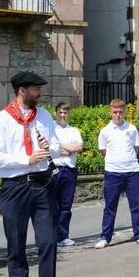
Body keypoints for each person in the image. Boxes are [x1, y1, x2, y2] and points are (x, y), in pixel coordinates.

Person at [0, 72, 64, 277]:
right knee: (16, 247)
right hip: (15, 187)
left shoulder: (44, 116)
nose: (40, 93)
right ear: (22, 90)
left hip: (43, 184)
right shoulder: (1, 120)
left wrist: (48, 147)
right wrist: (26, 160)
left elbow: (56, 145)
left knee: (48, 243)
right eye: (36, 89)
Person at [94, 99, 139, 249]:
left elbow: (136, 148)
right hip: (113, 172)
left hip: (132, 172)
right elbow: (103, 151)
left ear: (124, 112)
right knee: (110, 206)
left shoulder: (131, 129)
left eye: (120, 112)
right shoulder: (105, 131)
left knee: (136, 205)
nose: (118, 115)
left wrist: (128, 160)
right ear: (110, 112)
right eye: (115, 112)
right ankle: (105, 237)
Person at [52, 103, 84, 247]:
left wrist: (59, 146)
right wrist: (68, 149)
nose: (63, 115)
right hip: (54, 170)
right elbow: (48, 148)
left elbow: (79, 147)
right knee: (51, 205)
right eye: (60, 112)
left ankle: (63, 236)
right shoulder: (50, 129)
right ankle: (51, 236)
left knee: (66, 206)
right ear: (55, 113)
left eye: (65, 113)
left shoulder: (74, 130)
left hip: (69, 170)